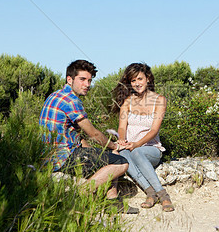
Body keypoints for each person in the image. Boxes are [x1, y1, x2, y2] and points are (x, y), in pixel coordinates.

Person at [39, 59, 138, 214]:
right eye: (82, 79)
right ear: (69, 79)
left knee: (105, 157)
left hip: (49, 154)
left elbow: (75, 133)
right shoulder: (71, 101)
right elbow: (93, 133)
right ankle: (79, 196)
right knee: (121, 162)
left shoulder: (55, 95)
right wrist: (114, 145)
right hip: (63, 158)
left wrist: (97, 152)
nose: (87, 84)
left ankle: (112, 201)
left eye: (90, 80)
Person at [112, 63, 174, 212]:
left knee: (137, 152)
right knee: (122, 154)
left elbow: (154, 130)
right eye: (133, 81)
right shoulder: (127, 102)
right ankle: (150, 192)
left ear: (148, 79)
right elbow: (122, 127)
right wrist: (121, 139)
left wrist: (137, 143)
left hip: (151, 149)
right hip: (130, 147)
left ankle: (163, 195)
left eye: (139, 79)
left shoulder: (159, 100)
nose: (137, 83)